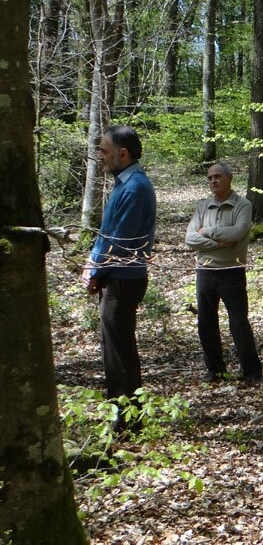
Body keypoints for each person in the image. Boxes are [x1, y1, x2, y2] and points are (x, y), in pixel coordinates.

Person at [81, 125, 157, 432]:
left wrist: (94, 269)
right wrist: (94, 266)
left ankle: (128, 421)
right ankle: (124, 416)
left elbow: (118, 239)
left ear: (122, 154)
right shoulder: (125, 183)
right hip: (115, 276)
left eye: (104, 151)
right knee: (114, 348)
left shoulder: (135, 187)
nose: (100, 156)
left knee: (120, 351)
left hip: (124, 278)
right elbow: (106, 233)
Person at [184, 162, 263, 385]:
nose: (213, 181)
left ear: (230, 178)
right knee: (205, 323)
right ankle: (216, 371)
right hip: (205, 271)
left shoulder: (243, 205)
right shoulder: (202, 206)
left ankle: (252, 372)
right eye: (209, 178)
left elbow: (237, 233)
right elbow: (190, 238)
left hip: (232, 271)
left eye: (217, 177)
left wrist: (207, 232)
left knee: (238, 324)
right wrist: (221, 242)